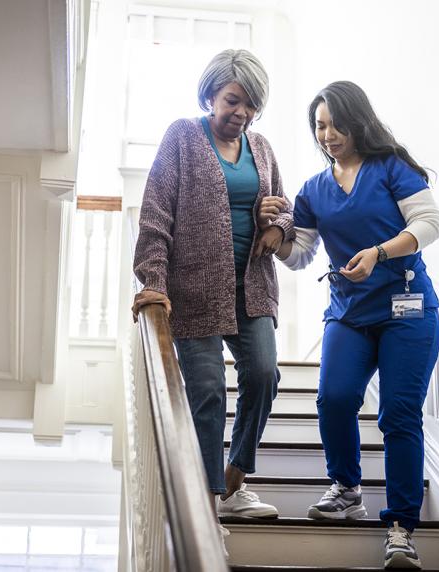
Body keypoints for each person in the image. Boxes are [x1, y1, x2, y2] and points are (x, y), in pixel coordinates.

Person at [262, 80, 439, 570]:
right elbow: (299, 254)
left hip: (408, 313)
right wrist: (272, 235)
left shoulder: (391, 169)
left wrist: (381, 251)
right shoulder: (315, 190)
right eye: (320, 126)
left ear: (357, 121)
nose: (328, 134)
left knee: (399, 415)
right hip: (348, 313)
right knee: (334, 397)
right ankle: (346, 488)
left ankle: (401, 528)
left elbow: (429, 223)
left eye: (337, 124)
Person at [132, 49, 294, 545]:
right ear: (210, 94)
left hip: (253, 289)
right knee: (206, 393)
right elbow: (156, 213)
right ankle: (206, 508)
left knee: (264, 373)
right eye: (232, 100)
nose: (241, 113)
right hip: (195, 289)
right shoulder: (182, 136)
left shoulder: (261, 148)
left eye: (250, 106)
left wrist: (277, 224)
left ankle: (235, 478)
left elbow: (285, 215)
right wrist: (153, 281)